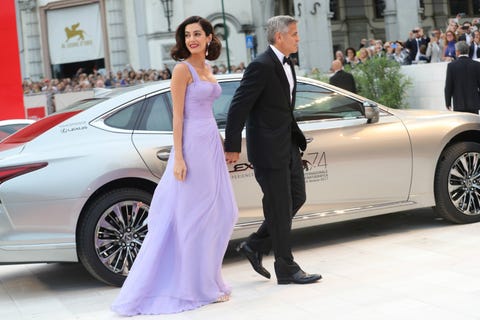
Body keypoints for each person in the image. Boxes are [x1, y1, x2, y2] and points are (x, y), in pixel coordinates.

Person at [111, 16, 238, 316]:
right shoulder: (182, 69)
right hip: (191, 147)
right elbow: (178, 117)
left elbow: (207, 112)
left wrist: (220, 142)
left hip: (210, 145)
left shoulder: (207, 69)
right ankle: (195, 287)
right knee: (192, 218)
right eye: (187, 35)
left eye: (197, 34)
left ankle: (210, 279)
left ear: (209, 37)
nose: (192, 39)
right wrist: (178, 157)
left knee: (221, 213)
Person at [224, 15, 321, 285]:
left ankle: (255, 245)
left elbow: (282, 108)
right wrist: (231, 145)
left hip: (287, 144)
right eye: (294, 34)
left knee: (296, 198)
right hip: (267, 149)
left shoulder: (287, 64)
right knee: (279, 206)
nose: (298, 38)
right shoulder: (261, 66)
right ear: (279, 37)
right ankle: (286, 267)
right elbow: (238, 107)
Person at [444, 41, 480, 114]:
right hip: (474, 103)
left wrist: (448, 103)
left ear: (457, 52)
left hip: (458, 103)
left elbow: (448, 86)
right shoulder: (477, 65)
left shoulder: (451, 66)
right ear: (468, 51)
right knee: (474, 125)